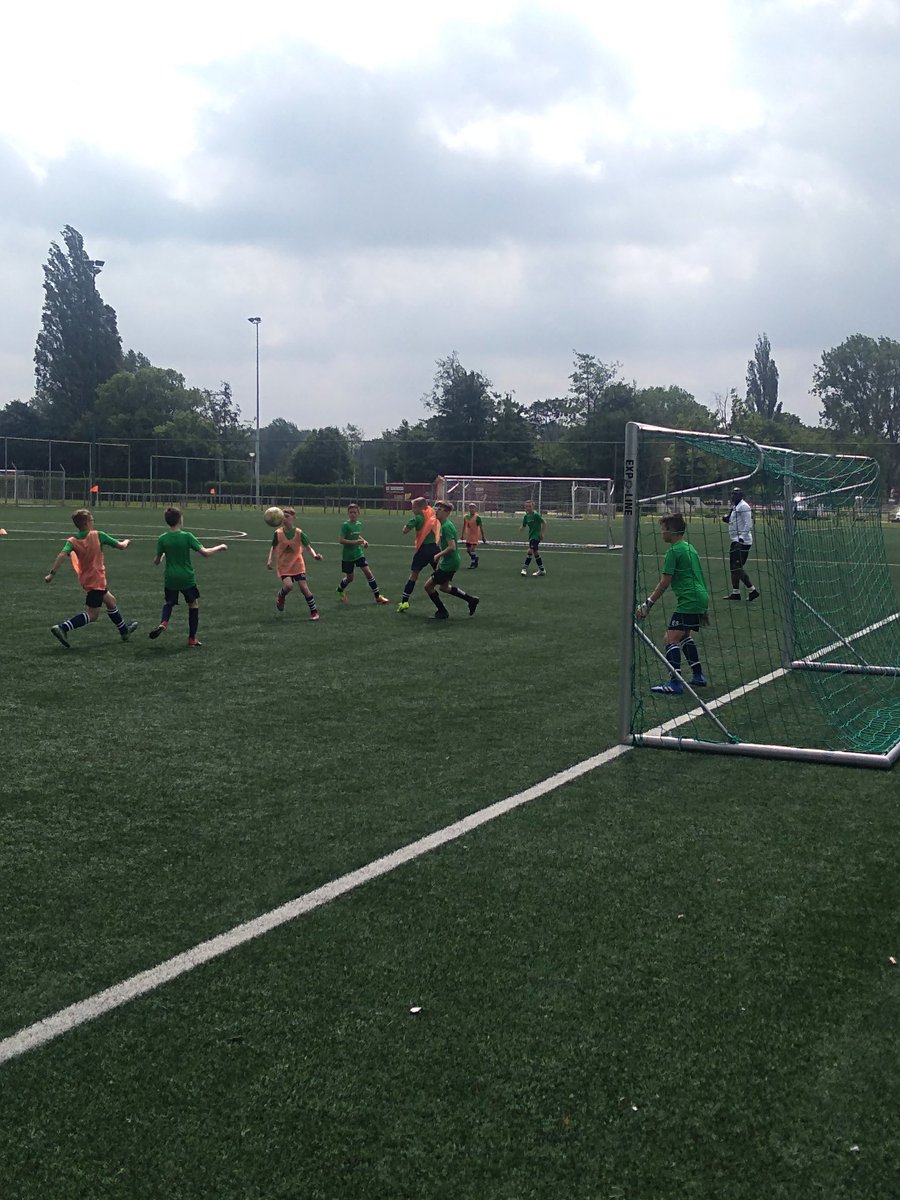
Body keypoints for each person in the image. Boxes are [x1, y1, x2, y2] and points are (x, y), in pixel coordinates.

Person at [635, 512, 709, 696]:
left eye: (663, 529)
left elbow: (665, 582)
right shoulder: (689, 547)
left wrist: (648, 604)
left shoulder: (673, 551)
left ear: (672, 531)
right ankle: (698, 676)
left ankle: (675, 683)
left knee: (670, 639)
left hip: (690, 599)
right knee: (684, 636)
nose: (661, 533)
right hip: (699, 597)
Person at [45, 508, 138, 648]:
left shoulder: (72, 541)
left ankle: (124, 630)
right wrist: (127, 541)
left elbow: (62, 555)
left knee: (111, 601)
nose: (93, 522)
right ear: (87, 522)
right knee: (93, 615)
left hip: (87, 579)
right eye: (92, 519)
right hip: (97, 580)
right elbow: (121, 546)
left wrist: (52, 574)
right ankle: (63, 627)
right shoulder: (98, 535)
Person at [150, 506, 228, 646]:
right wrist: (219, 547)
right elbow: (205, 553)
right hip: (186, 577)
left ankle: (164, 622)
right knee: (193, 604)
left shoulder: (163, 538)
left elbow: (156, 561)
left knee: (169, 602)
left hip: (171, 578)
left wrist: (162, 556)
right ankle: (192, 638)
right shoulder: (187, 536)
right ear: (180, 520)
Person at [424, 501, 480, 620]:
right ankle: (471, 600)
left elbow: (452, 547)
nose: (437, 510)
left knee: (428, 587)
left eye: (440, 509)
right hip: (450, 561)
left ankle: (442, 611)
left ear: (447, 513)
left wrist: (438, 555)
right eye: (436, 508)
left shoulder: (446, 526)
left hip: (450, 563)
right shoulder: (443, 524)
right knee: (444, 587)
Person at [266, 506, 323, 620]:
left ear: (293, 518)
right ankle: (281, 596)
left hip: (297, 563)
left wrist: (315, 555)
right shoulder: (278, 533)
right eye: (283, 517)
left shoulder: (299, 533)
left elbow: (308, 547)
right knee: (288, 586)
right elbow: (273, 547)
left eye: (287, 516)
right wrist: (270, 560)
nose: (285, 519)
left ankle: (314, 611)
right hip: (284, 564)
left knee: (304, 588)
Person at [336, 503, 390, 604]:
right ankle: (339, 590)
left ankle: (377, 596)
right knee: (350, 578)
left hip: (358, 553)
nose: (353, 514)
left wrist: (364, 541)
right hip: (348, 556)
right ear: (348, 513)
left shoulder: (358, 524)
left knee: (368, 573)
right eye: (351, 512)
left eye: (355, 512)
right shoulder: (345, 525)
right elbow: (341, 540)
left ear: (358, 513)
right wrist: (355, 542)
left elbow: (357, 536)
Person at [396, 495, 441, 612]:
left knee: (414, 575)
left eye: (413, 507)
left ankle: (404, 602)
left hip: (423, 550)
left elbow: (405, 531)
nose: (412, 510)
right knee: (441, 574)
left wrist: (405, 527)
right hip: (435, 548)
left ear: (420, 508)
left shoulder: (417, 518)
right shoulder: (432, 516)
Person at [722, 487, 760, 601]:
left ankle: (752, 590)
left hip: (742, 542)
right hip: (735, 540)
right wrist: (726, 519)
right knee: (733, 568)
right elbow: (732, 520)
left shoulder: (744, 506)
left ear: (741, 496)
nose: (733, 496)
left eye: (736, 494)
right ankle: (736, 593)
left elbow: (748, 524)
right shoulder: (735, 506)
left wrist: (742, 539)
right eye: (732, 494)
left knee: (736, 567)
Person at [521, 500, 546, 576]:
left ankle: (524, 569)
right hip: (531, 536)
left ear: (533, 507)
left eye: (529, 506)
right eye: (526, 506)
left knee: (530, 551)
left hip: (536, 536)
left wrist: (541, 533)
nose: (528, 508)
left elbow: (544, 522)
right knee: (535, 552)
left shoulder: (535, 515)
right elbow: (524, 525)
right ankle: (542, 570)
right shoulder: (526, 516)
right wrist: (521, 528)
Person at [460, 502, 487, 568]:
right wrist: (462, 534)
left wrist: (483, 537)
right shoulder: (466, 517)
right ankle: (475, 558)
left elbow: (481, 527)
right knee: (468, 550)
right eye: (470, 508)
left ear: (475, 509)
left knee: (472, 549)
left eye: (473, 508)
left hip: (475, 535)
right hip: (468, 535)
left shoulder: (477, 518)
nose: (472, 509)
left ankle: (473, 563)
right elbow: (464, 525)